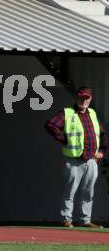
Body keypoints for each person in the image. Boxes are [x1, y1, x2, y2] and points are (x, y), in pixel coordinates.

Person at [46, 86, 107, 228]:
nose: (83, 100)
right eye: (81, 97)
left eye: (86, 98)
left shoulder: (92, 113)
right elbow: (50, 125)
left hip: (91, 160)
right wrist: (64, 139)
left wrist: (102, 152)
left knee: (88, 192)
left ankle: (85, 220)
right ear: (76, 97)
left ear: (90, 99)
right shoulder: (67, 113)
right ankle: (66, 219)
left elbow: (102, 135)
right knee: (69, 191)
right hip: (74, 160)